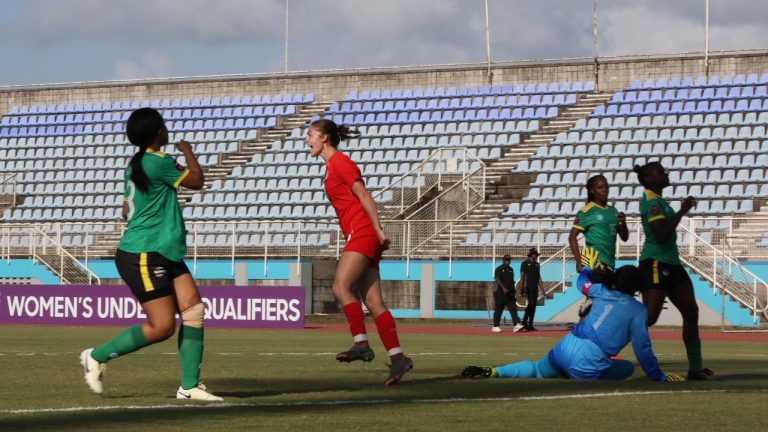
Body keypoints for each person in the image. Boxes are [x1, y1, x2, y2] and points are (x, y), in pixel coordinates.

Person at [79, 107, 222, 401]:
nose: (167, 131)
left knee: (194, 310)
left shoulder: (134, 166)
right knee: (163, 327)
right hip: (144, 254)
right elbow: (196, 181)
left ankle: (189, 386)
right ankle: (95, 356)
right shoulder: (159, 162)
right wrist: (188, 151)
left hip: (160, 250)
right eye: (164, 127)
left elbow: (124, 210)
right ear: (159, 133)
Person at [461, 247, 686, 383]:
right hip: (589, 362)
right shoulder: (638, 311)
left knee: (538, 369)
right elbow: (643, 350)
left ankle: (496, 371)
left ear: (616, 281)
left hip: (567, 346)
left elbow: (581, 282)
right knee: (626, 368)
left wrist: (587, 266)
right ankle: (571, 372)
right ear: (638, 288)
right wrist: (659, 376)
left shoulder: (601, 290)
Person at [305, 118, 412, 385]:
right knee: (374, 302)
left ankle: (361, 345)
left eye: (310, 135)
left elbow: (364, 195)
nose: (307, 140)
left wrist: (378, 231)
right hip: (361, 234)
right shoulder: (331, 167)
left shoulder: (340, 162)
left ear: (324, 138)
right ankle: (398, 357)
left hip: (362, 233)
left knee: (340, 287)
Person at [632, 162, 716, 380]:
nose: (666, 173)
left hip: (672, 263)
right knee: (649, 318)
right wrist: (682, 211)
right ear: (649, 179)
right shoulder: (651, 201)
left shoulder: (659, 200)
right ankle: (603, 350)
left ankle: (695, 368)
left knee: (691, 312)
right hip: (655, 264)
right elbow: (660, 234)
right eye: (661, 171)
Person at [568, 174, 629, 318]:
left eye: (606, 187)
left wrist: (623, 222)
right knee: (597, 302)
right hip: (595, 263)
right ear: (592, 191)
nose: (605, 190)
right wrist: (579, 261)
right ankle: (582, 332)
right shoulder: (587, 211)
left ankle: (583, 330)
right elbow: (572, 237)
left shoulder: (613, 212)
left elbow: (624, 237)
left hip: (609, 265)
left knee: (597, 306)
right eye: (600, 187)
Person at [492, 254, 523, 333]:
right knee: (499, 310)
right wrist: (503, 288)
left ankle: (516, 325)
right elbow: (497, 278)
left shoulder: (511, 269)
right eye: (506, 260)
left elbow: (511, 281)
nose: (508, 262)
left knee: (513, 309)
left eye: (509, 260)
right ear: (503, 260)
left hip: (510, 294)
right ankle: (495, 326)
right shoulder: (499, 269)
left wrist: (514, 292)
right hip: (500, 293)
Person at [519, 248, 542, 331]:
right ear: (531, 255)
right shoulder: (524, 264)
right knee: (531, 304)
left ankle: (530, 323)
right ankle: (524, 321)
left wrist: (542, 289)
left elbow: (539, 277)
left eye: (536, 255)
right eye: (534, 254)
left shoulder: (537, 264)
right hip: (528, 287)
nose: (536, 256)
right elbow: (522, 276)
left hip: (535, 287)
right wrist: (521, 288)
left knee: (534, 305)